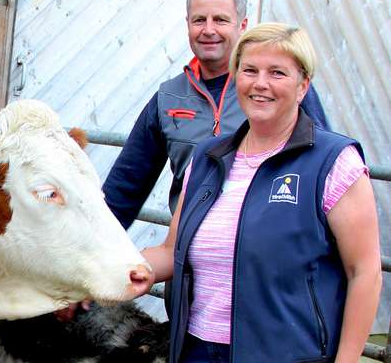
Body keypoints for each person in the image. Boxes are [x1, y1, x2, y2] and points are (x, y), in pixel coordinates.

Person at [140, 22, 382, 362]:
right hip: (195, 349)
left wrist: (347, 359)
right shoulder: (207, 158)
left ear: (303, 85)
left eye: (277, 73)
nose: (260, 83)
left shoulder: (333, 162)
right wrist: (110, 272)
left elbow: (365, 272)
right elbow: (170, 252)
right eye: (249, 70)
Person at [102, 0, 330, 228]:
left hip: (265, 250)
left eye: (220, 20)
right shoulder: (168, 98)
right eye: (200, 20)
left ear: (242, 26)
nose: (208, 30)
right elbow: (125, 186)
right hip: (191, 249)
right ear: (188, 24)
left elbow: (325, 169)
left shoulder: (277, 91)